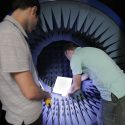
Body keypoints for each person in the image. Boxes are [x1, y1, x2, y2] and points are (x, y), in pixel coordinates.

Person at [0, 0, 51, 125]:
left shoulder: (7, 30)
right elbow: (30, 92)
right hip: (26, 118)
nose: (35, 27)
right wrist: (46, 94)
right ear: (33, 11)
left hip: (18, 115)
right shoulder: (10, 34)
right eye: (37, 21)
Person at [64, 42, 125, 125]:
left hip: (113, 93)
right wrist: (77, 79)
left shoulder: (75, 57)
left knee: (106, 121)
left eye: (67, 57)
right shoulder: (91, 50)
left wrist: (67, 93)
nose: (69, 60)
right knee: (104, 118)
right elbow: (89, 73)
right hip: (122, 85)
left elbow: (76, 86)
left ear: (68, 51)